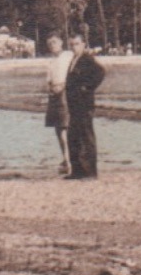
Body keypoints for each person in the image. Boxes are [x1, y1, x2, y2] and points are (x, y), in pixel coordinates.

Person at [63, 33, 106, 179]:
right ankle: (77, 170)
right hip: (74, 104)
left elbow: (100, 72)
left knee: (86, 136)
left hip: (84, 104)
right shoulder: (74, 59)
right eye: (72, 44)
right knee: (73, 136)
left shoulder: (87, 59)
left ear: (83, 45)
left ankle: (90, 172)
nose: (74, 47)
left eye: (76, 44)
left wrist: (87, 87)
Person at [43, 34, 73, 173]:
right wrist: (50, 88)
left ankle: (69, 159)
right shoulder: (51, 61)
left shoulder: (68, 56)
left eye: (54, 42)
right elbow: (49, 79)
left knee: (65, 127)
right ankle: (65, 157)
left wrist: (64, 86)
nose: (52, 45)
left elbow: (72, 74)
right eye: (50, 43)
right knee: (57, 128)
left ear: (61, 42)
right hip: (54, 94)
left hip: (65, 93)